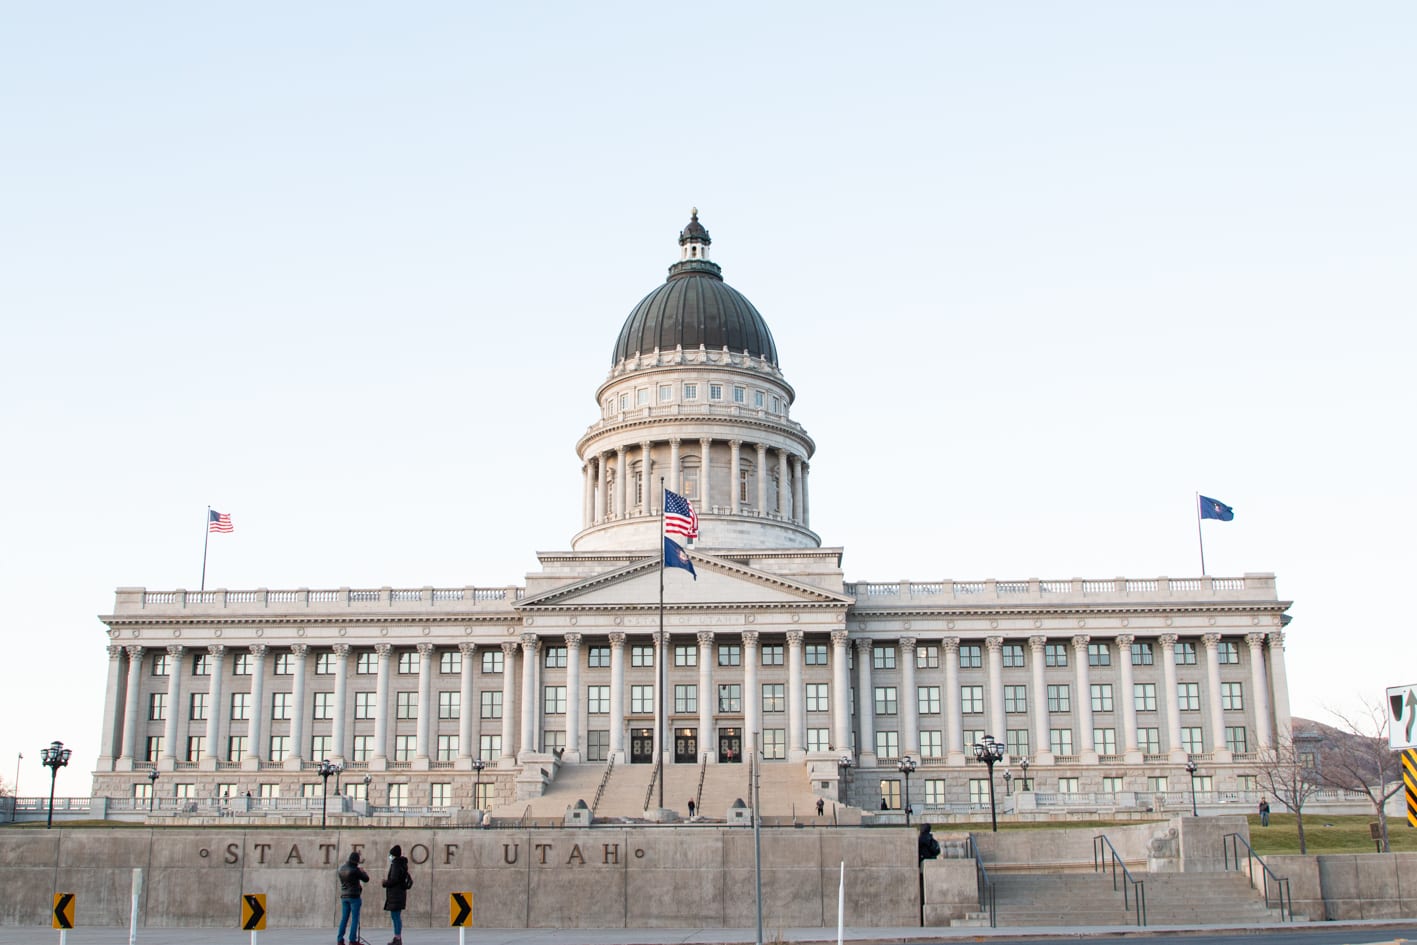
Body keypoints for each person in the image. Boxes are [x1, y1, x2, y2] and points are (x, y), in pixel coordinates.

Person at [336, 849, 369, 945]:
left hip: (344, 896)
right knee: (355, 919)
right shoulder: (355, 870)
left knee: (344, 918)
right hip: (354, 896)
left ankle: (340, 940)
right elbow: (366, 879)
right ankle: (352, 940)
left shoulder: (341, 868)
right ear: (356, 861)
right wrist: (363, 871)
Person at [381, 844, 411, 945]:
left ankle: (397, 937)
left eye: (391, 855)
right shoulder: (402, 864)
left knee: (395, 916)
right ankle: (397, 937)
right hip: (399, 894)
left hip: (395, 894)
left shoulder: (396, 864)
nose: (390, 857)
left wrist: (385, 883)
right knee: (396, 916)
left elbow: (393, 880)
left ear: (393, 855)